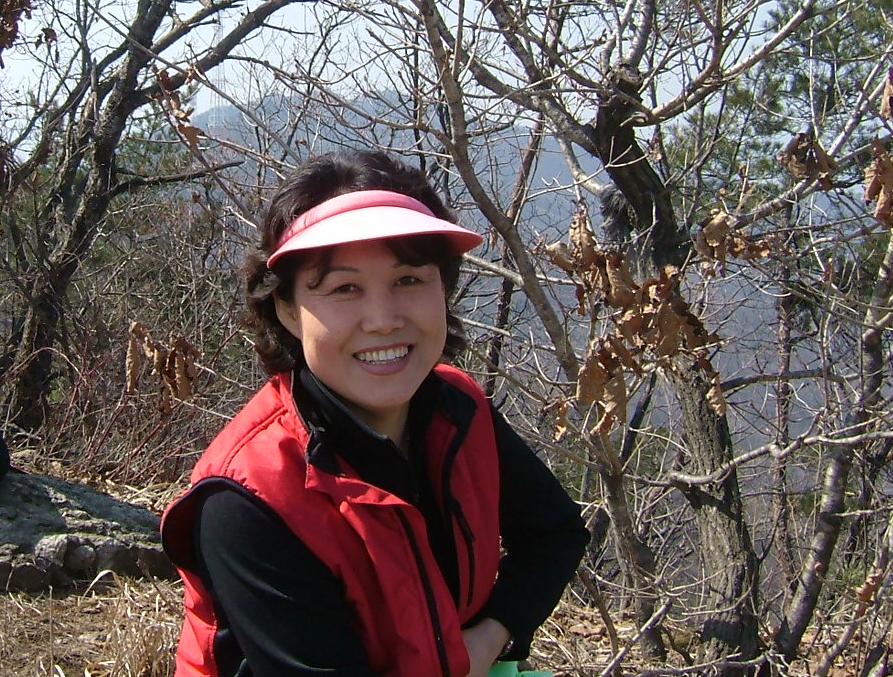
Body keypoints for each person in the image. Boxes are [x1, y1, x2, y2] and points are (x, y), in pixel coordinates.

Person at [162, 150, 590, 677]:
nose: (383, 320)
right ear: (288, 310)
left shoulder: (458, 410)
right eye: (344, 288)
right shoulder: (250, 496)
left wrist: (489, 638)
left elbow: (555, 533)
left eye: (409, 280)